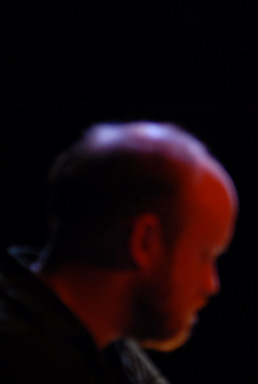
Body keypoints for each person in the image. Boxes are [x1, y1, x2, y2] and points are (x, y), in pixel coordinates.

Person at [0, 121, 239, 383]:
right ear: (144, 241)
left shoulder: (107, 345)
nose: (211, 284)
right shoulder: (23, 358)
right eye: (204, 256)